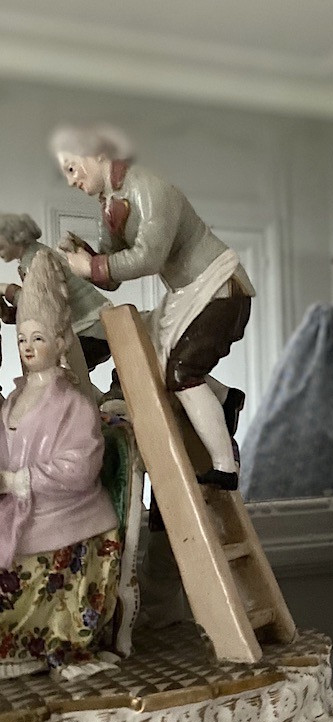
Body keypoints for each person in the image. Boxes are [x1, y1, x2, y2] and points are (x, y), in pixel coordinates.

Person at [51, 125, 249, 489]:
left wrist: (93, 266)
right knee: (159, 360)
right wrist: (87, 257)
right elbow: (113, 272)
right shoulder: (109, 202)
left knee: (180, 375)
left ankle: (225, 468)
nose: (70, 180)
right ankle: (225, 398)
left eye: (72, 168)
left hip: (218, 288)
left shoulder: (149, 186)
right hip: (189, 293)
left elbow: (148, 258)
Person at [0, 250, 120, 678]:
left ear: (61, 342)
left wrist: (20, 480)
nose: (28, 348)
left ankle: (40, 647)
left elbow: (80, 467)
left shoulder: (73, 404)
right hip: (18, 515)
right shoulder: (13, 400)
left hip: (68, 521)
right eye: (22, 340)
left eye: (38, 338)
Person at [0, 213, 112, 395]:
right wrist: (12, 314)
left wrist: (7, 289)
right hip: (89, 328)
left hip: (90, 329)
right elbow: (41, 312)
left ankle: (88, 405)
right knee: (61, 378)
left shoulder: (38, 259)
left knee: (51, 373)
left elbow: (41, 303)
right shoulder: (31, 258)